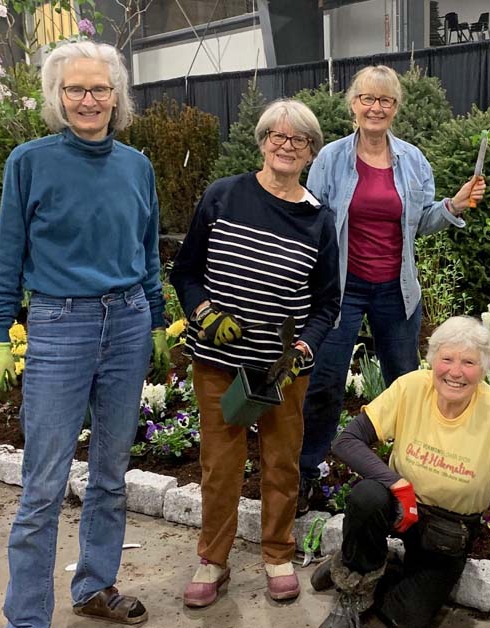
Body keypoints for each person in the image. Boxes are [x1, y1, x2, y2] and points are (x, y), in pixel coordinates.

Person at [0, 40, 165, 627]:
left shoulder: (137, 166)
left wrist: (156, 318)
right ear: (58, 98)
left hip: (129, 322)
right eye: (75, 90)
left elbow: (148, 249)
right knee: (43, 486)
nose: (88, 100)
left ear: (117, 97)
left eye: (100, 89)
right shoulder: (28, 162)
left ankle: (94, 587)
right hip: (61, 325)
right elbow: (8, 255)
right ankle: (27, 616)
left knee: (111, 476)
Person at [169, 99, 341, 608]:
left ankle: (277, 553)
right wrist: (204, 315)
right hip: (218, 363)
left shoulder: (317, 219)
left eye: (299, 140)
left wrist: (305, 346)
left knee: (282, 463)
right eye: (277, 136)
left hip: (280, 372)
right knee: (219, 465)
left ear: (310, 152)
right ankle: (213, 559)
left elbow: (328, 302)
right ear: (262, 141)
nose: (287, 146)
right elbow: (185, 272)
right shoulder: (224, 196)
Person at [298, 65, 486, 513]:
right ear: (353, 105)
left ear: (395, 108)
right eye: (367, 98)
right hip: (342, 292)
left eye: (385, 100)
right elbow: (314, 220)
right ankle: (304, 474)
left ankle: (411, 480)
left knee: (407, 385)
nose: (375, 107)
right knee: (324, 385)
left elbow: (420, 222)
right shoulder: (331, 160)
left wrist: (453, 206)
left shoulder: (413, 160)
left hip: (396, 292)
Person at [312, 316, 490, 628]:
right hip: (398, 509)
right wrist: (397, 484)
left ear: (485, 368)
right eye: (447, 359)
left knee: (404, 618)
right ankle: (352, 590)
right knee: (367, 497)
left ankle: (363, 563)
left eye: (469, 362)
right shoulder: (412, 387)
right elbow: (346, 441)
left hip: (447, 534)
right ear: (432, 358)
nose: (455, 372)